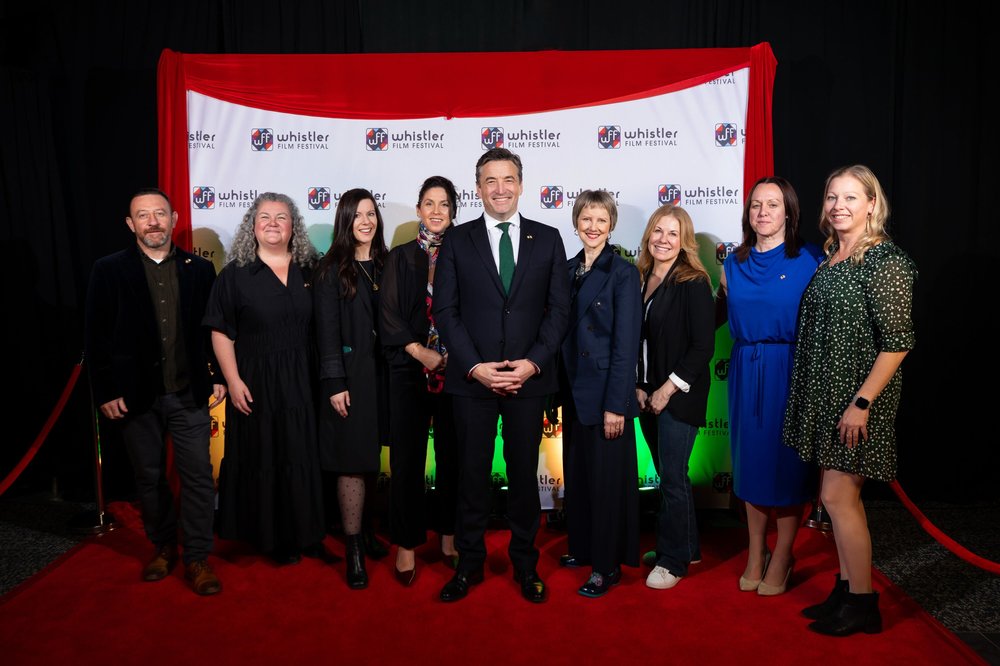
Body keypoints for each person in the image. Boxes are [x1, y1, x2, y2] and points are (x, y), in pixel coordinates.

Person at [433, 148, 570, 603]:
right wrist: (475, 366)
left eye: (508, 179)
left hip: (528, 382)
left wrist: (532, 363)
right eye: (490, 181)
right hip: (473, 382)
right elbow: (446, 311)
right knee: (470, 477)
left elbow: (558, 312)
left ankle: (525, 565)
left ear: (521, 184)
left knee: (524, 479)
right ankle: (468, 566)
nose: (500, 189)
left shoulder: (548, 239)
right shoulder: (457, 240)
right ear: (477, 188)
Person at [784, 165, 916, 636]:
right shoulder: (833, 255)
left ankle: (863, 603)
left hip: (857, 401)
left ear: (872, 205)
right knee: (833, 497)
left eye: (851, 198)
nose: (839, 206)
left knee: (840, 498)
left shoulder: (885, 260)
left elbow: (898, 342)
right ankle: (844, 589)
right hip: (827, 395)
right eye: (832, 197)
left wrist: (861, 403)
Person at [85, 188, 224, 595]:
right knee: (149, 476)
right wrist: (106, 390)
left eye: (159, 214)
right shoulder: (108, 270)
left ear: (175, 218)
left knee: (198, 476)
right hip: (135, 396)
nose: (153, 222)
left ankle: (197, 557)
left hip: (188, 392)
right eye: (143, 215)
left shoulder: (200, 270)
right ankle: (163, 547)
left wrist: (215, 374)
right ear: (131, 224)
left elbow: (210, 331)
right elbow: (96, 337)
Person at [204, 192, 326, 566]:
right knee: (266, 454)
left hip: (306, 377)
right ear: (252, 226)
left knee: (303, 453)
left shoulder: (312, 268)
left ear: (294, 227)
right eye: (265, 217)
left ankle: (307, 532)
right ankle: (271, 537)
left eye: (282, 217)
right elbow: (221, 331)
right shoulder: (236, 274)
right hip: (257, 379)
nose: (273, 223)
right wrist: (233, 379)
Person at [719, 177, 824, 596]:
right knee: (751, 466)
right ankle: (755, 552)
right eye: (756, 205)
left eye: (773, 205)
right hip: (746, 369)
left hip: (791, 370)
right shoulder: (732, 264)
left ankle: (782, 555)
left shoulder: (812, 260)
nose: (763, 212)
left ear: (789, 213)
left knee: (787, 468)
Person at [557, 190, 641, 597]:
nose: (593, 227)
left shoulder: (623, 273)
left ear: (611, 225)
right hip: (574, 395)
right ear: (577, 222)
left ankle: (606, 567)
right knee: (580, 478)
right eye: (586, 219)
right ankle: (584, 547)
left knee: (608, 486)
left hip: (606, 395)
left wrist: (616, 405)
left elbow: (626, 344)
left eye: (601, 220)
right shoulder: (567, 269)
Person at [380, 176, 461, 585]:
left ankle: (448, 539)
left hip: (457, 376)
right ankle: (407, 545)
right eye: (428, 203)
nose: (435, 211)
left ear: (453, 210)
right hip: (409, 373)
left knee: (454, 461)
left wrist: (456, 358)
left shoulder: (466, 254)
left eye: (443, 204)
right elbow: (389, 316)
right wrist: (420, 352)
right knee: (407, 462)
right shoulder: (399, 258)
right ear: (417, 210)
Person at [635, 204, 715, 591]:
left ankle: (673, 562)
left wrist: (666, 389)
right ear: (648, 235)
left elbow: (702, 347)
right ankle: (687, 545)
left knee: (672, 478)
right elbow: (637, 341)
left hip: (678, 395)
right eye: (657, 231)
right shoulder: (641, 277)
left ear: (684, 241)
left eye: (672, 233)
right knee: (669, 474)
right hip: (648, 394)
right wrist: (640, 385)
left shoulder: (693, 281)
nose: (663, 240)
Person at [314, 188, 390, 589]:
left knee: (370, 454)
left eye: (372, 213)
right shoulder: (331, 270)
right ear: (345, 220)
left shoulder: (386, 264)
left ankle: (369, 532)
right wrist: (335, 382)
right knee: (350, 459)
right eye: (358, 214)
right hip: (348, 378)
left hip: (383, 377)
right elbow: (325, 333)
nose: (367, 221)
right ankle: (354, 549)